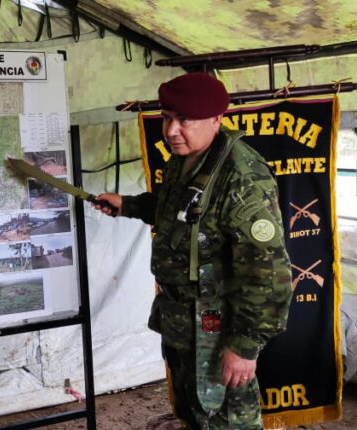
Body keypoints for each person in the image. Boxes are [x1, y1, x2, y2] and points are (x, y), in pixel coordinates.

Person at [92, 72, 292, 429]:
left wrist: (245, 347)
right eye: (167, 118)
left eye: (184, 120)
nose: (170, 130)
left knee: (228, 423)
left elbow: (267, 273)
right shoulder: (187, 159)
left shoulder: (241, 176)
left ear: (217, 119)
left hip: (218, 331)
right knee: (193, 417)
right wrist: (129, 205)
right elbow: (181, 212)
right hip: (182, 323)